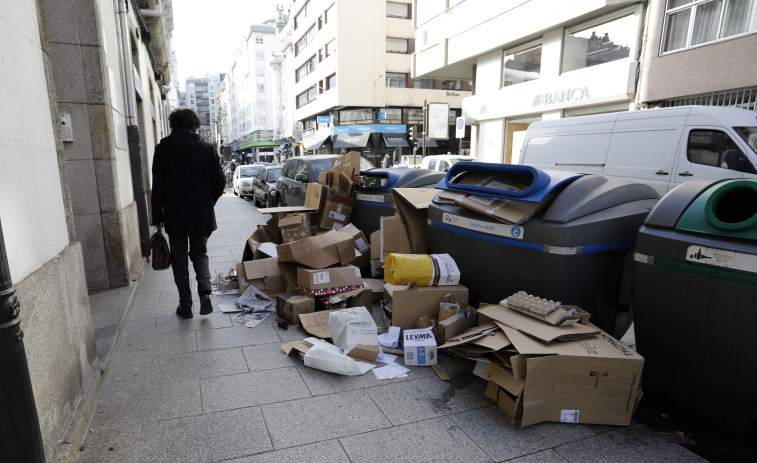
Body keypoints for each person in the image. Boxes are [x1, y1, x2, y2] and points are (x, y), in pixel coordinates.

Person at [151, 109, 226, 319]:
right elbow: (220, 181)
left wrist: (157, 218)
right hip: (201, 214)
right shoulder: (207, 148)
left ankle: (185, 305)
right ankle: (204, 294)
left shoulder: (162, 150)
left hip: (174, 215)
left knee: (179, 259)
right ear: (195, 125)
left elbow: (158, 187)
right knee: (200, 253)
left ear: (173, 125)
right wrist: (209, 201)